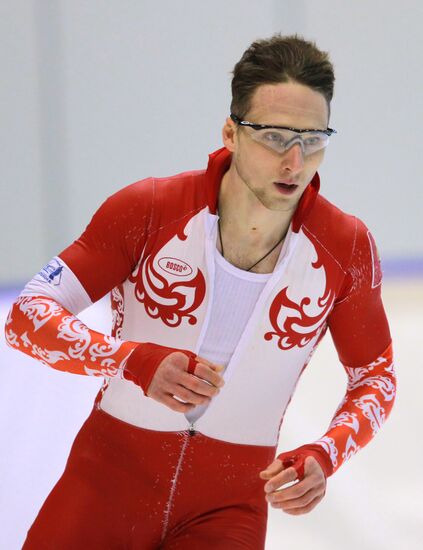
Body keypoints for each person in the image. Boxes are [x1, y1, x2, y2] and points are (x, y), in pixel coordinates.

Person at [5, 34, 396, 549]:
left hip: (228, 509)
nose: (295, 162)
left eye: (314, 139)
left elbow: (376, 377)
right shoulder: (147, 211)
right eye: (276, 137)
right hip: (106, 485)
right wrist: (131, 360)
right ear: (230, 133)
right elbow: (27, 317)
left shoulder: (346, 248)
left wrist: (326, 453)